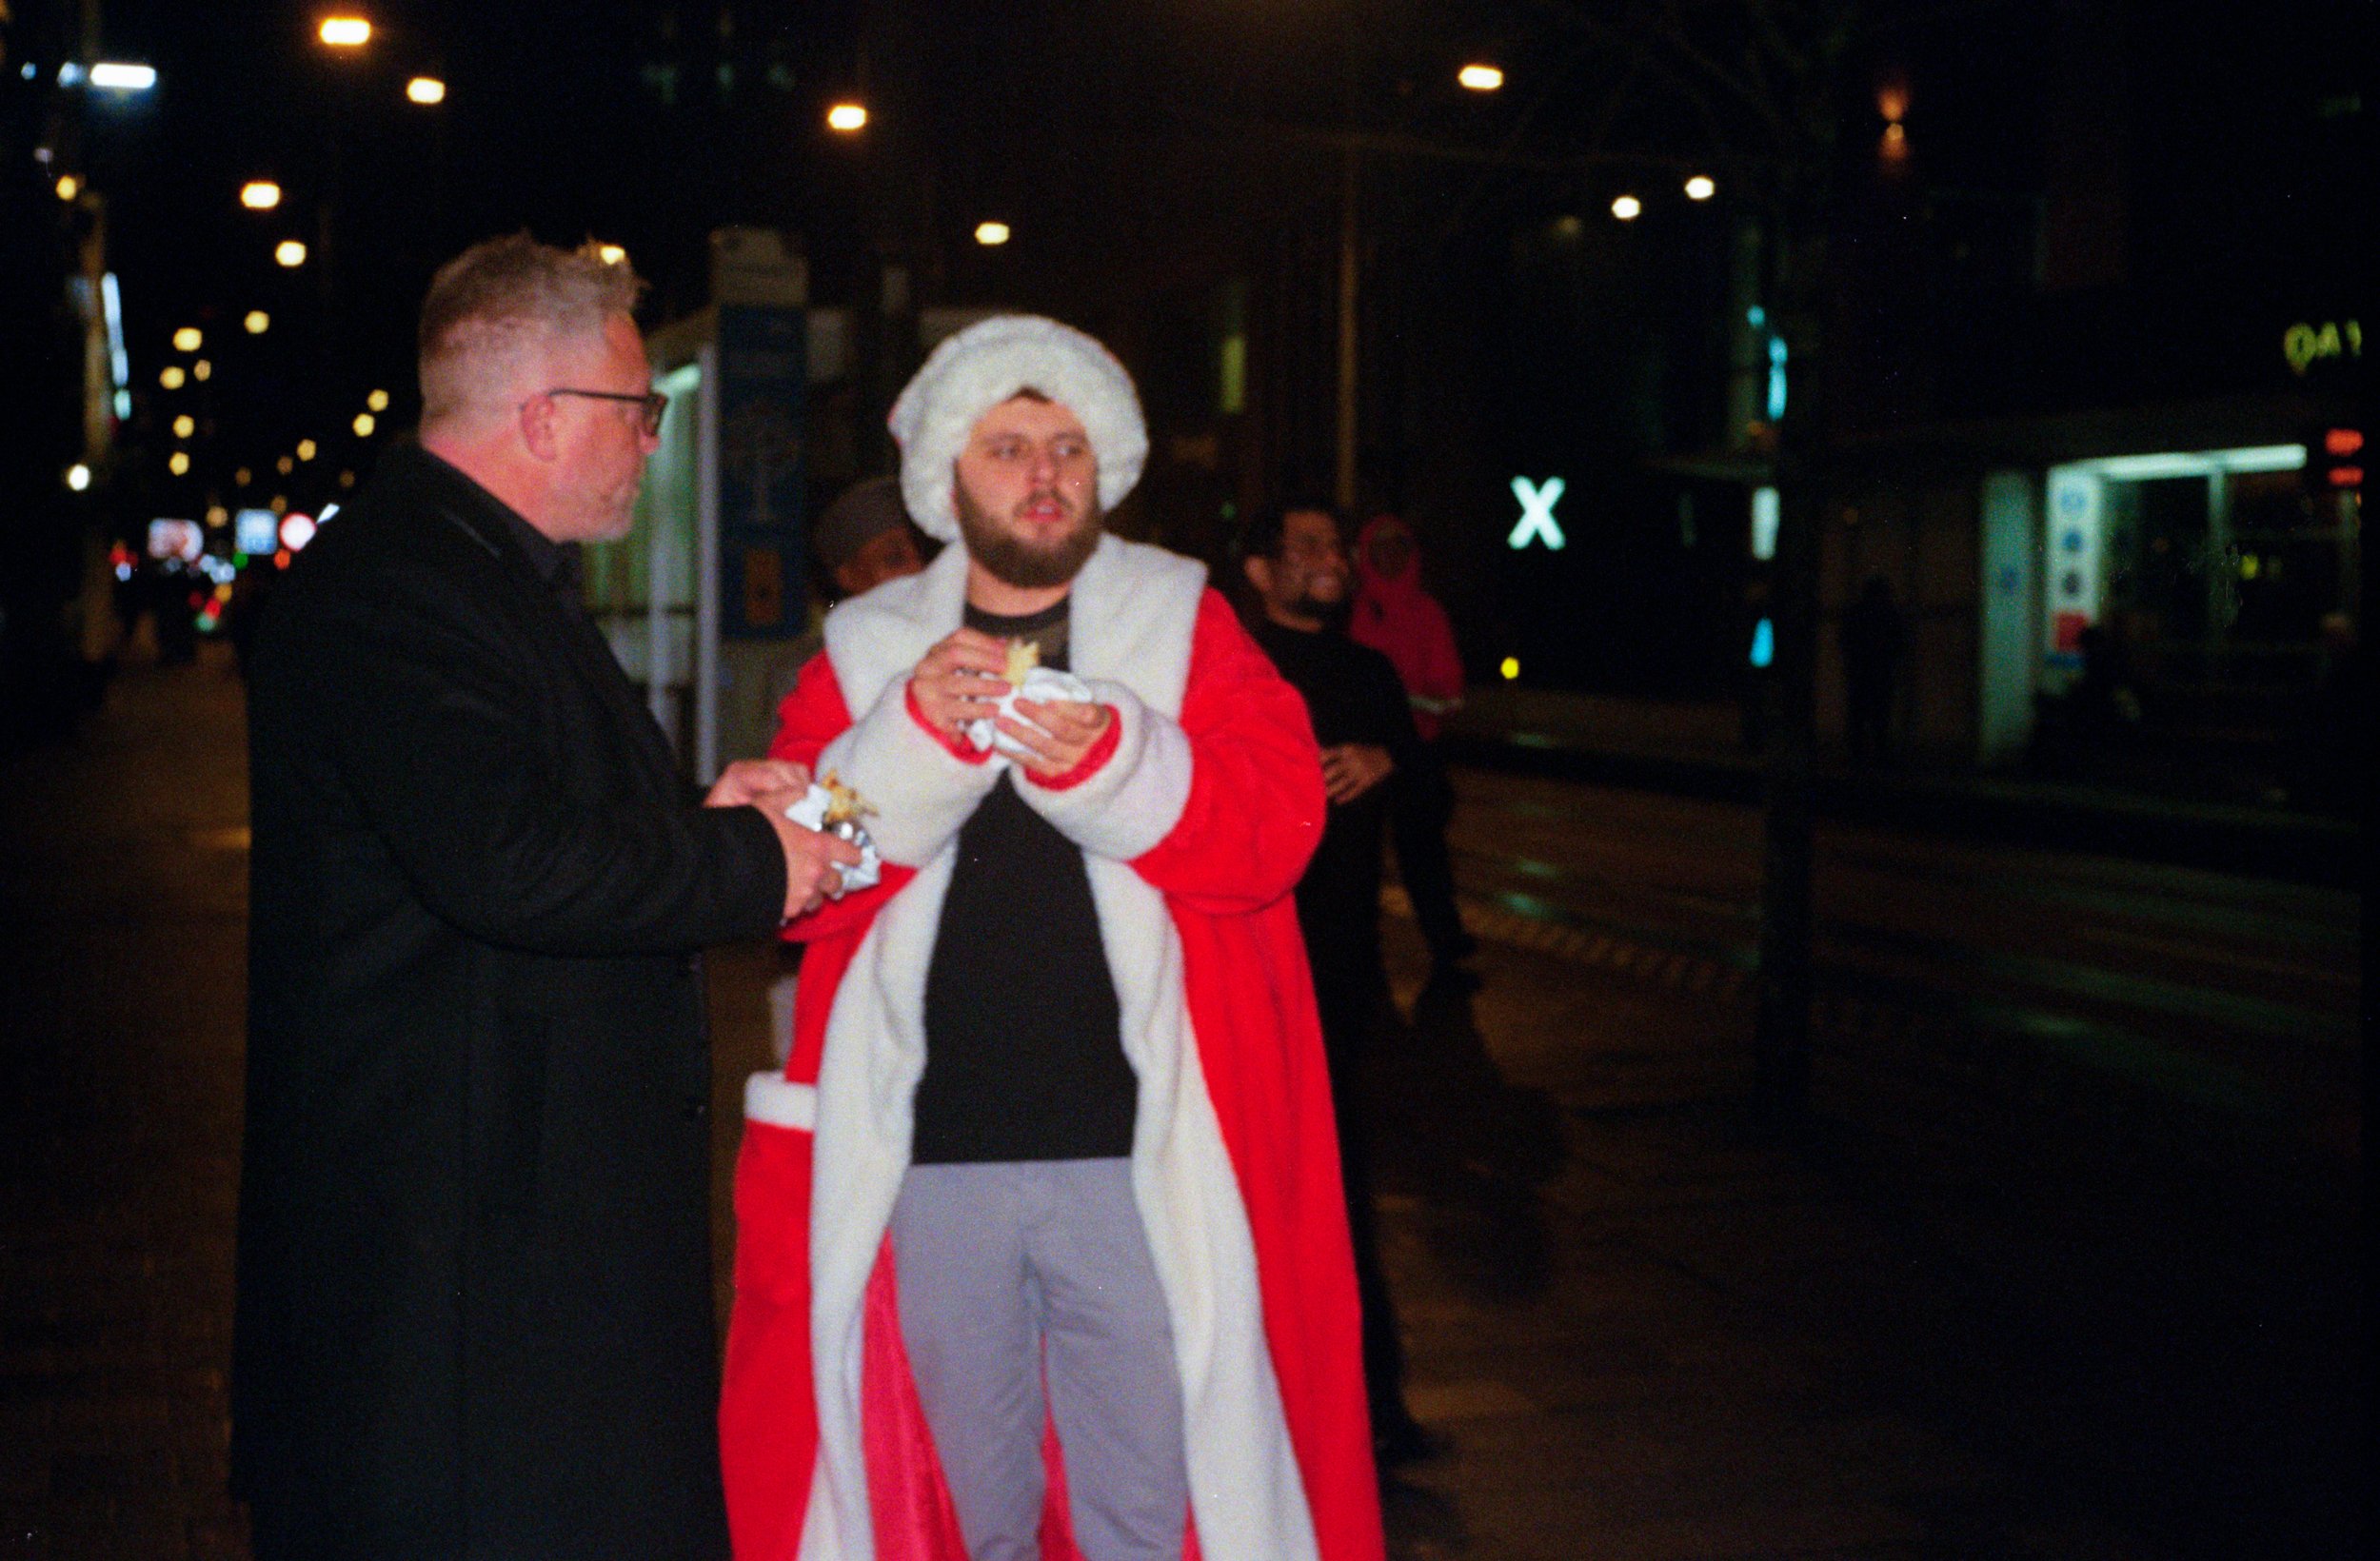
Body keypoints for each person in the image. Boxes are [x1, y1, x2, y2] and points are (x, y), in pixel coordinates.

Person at [234, 233, 860, 1561]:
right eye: (636, 410)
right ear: (540, 416)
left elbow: (525, 808)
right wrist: (753, 864)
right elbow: (506, 861)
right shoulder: (400, 585)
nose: (647, 441)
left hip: (510, 1223)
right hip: (458, 1257)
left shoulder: (472, 566)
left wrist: (702, 819)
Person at [720, 315, 1384, 1561]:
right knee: (973, 1521)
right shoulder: (868, 654)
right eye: (1010, 446)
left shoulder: (1182, 624)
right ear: (947, 477)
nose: (1044, 473)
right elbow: (809, 877)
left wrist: (1124, 761)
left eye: (1069, 446)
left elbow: (1277, 824)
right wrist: (905, 744)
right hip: (932, 1164)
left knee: (1144, 1517)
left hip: (1140, 1162)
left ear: (1105, 466)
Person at [1240, 502, 1439, 1469]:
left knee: (1339, 1191)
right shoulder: (1235, 670)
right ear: (1260, 568)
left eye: (1335, 547)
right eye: (1309, 547)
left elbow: (1430, 798)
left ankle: (1369, 1404)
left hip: (1340, 975)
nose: (1333, 561)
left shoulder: (1368, 673)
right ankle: (1260, 1408)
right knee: (1248, 1190)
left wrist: (1387, 759)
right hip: (1245, 969)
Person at [1348, 511, 1477, 977]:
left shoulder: (1427, 613)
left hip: (1417, 751)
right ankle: (1359, 951)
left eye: (1399, 546)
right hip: (1362, 753)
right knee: (1357, 859)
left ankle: (1446, 942)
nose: (1391, 556)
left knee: (1423, 853)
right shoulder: (1353, 610)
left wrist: (1414, 701)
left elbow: (1449, 687)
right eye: (1380, 547)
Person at [1841, 573, 1908, 765]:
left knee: (1859, 717)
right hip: (1881, 673)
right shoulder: (1889, 614)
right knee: (1880, 717)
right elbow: (1899, 643)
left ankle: (1858, 757)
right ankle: (1880, 755)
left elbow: (1846, 641)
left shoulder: (1857, 613)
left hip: (1860, 673)